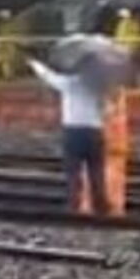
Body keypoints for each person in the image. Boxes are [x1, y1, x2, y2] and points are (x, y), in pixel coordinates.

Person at [29, 57, 109, 214]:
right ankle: (100, 206)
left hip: (73, 131)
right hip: (94, 130)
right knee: (96, 170)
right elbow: (105, 107)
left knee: (73, 171)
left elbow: (48, 76)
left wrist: (34, 63)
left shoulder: (69, 83)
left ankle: (74, 204)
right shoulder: (97, 86)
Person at [0, 9, 19, 81]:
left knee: (5, 62)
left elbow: (7, 37)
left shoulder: (9, 26)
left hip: (6, 47)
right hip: (4, 47)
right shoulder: (3, 26)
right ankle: (8, 76)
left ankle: (8, 76)